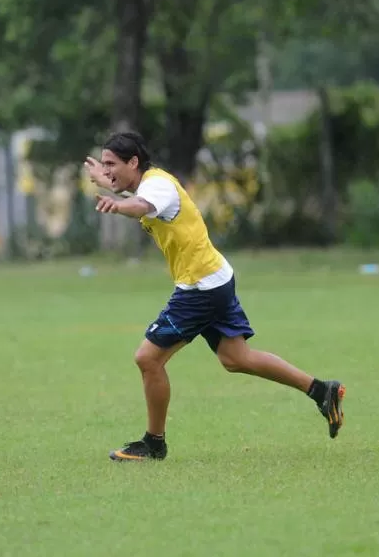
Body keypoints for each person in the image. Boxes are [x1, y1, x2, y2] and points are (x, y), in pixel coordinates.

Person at [83, 131, 345, 461]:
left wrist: (117, 204)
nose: (106, 172)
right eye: (103, 165)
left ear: (133, 162)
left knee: (148, 359)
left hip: (200, 288)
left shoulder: (157, 186)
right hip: (214, 278)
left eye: (111, 165)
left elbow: (141, 205)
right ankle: (323, 390)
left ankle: (153, 443)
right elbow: (133, 195)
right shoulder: (147, 182)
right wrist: (107, 185)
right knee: (236, 358)